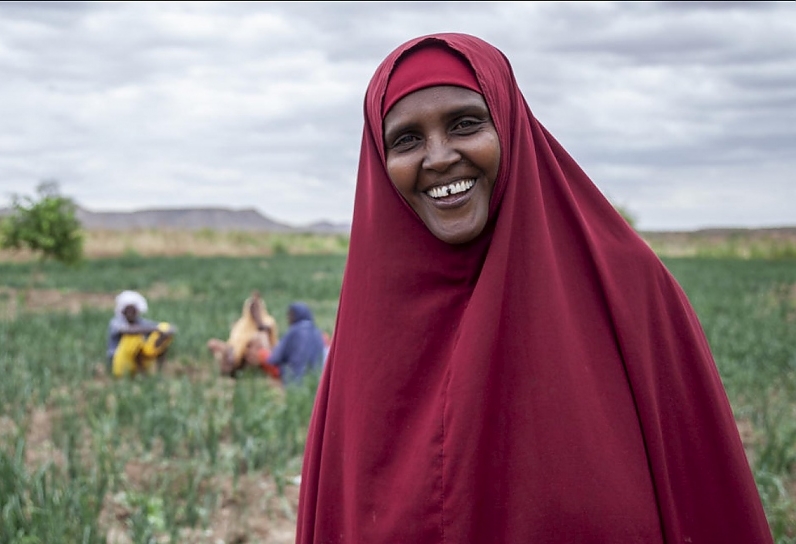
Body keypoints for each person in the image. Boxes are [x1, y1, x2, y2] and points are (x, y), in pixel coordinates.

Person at [295, 33, 772, 543]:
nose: (438, 157)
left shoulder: (628, 287)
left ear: (509, 123)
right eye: (407, 139)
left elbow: (705, 496)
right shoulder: (368, 325)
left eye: (465, 123)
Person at [245, 301, 325, 386]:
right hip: (316, 378)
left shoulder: (295, 331)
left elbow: (274, 358)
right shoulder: (318, 333)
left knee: (262, 355)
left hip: (295, 378)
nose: (288, 319)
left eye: (290, 315)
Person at [208, 290, 279, 378]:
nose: (253, 313)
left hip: (255, 357)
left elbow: (270, 343)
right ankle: (229, 367)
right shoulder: (242, 323)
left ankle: (251, 373)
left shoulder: (267, 322)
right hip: (235, 354)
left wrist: (259, 321)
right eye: (251, 309)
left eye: (256, 309)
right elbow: (234, 342)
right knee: (213, 344)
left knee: (258, 340)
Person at [106, 290, 175, 378]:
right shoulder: (116, 322)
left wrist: (164, 332)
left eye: (133, 310)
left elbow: (165, 327)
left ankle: (157, 371)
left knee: (164, 328)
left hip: (136, 361)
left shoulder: (140, 322)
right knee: (133, 338)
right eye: (129, 310)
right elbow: (128, 330)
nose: (132, 313)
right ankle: (136, 373)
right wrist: (155, 329)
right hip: (119, 363)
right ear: (123, 311)